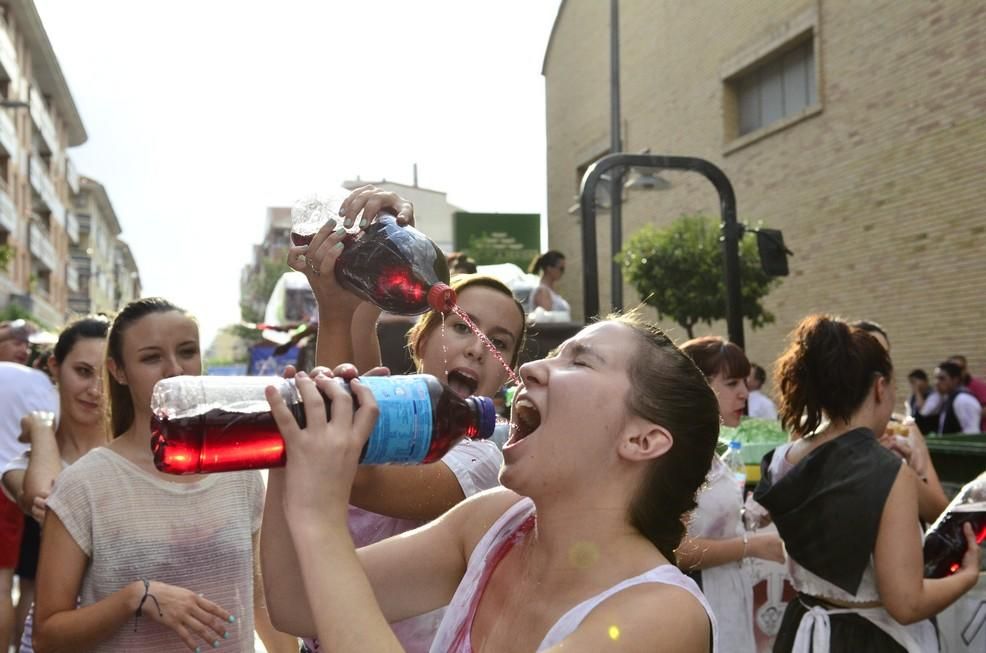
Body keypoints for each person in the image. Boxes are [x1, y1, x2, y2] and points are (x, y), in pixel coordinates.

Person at [264, 309, 722, 652]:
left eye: (579, 363)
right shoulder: (495, 522)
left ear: (642, 440)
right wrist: (290, 444)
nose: (528, 368)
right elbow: (296, 603)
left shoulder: (662, 616)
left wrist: (319, 515)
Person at [263, 186, 527, 652]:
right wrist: (379, 242)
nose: (477, 347)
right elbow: (353, 336)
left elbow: (354, 471)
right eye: (463, 326)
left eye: (499, 342)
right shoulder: (392, 402)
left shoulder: (483, 459)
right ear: (420, 339)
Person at [32, 298, 297, 652]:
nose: (174, 369)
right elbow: (47, 636)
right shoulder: (84, 484)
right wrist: (135, 598)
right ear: (118, 371)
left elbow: (257, 596)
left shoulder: (239, 470)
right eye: (151, 357)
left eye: (187, 351)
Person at [753, 315, 980, 652]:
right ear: (879, 387)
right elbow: (906, 603)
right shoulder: (886, 470)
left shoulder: (781, 459)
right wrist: (968, 577)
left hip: (800, 630)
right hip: (868, 639)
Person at [0, 316, 110, 652]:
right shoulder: (21, 466)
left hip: (127, 632)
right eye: (83, 371)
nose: (95, 389)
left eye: (105, 375)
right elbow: (48, 497)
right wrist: (43, 427)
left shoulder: (139, 454)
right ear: (54, 367)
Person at [678, 336, 784, 652]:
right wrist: (752, 546)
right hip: (702, 602)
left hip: (728, 597)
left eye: (745, 382)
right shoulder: (681, 455)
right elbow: (677, 550)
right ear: (700, 386)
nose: (744, 393)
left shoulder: (708, 450)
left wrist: (748, 517)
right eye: (732, 382)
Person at [0, 322, 58, 653]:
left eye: (26, 343)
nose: (23, 348)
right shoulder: (40, 384)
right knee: (22, 585)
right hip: (23, 485)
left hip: (19, 486)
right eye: (15, 341)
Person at [922, 361, 982, 435]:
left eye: (942, 378)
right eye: (936, 378)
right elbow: (925, 412)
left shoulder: (962, 399)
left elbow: (972, 434)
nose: (936, 382)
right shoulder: (947, 397)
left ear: (955, 380)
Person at [947, 355, 986, 432]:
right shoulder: (949, 389)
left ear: (966, 369)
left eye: (961, 368)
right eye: (953, 368)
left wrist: (971, 414)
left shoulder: (977, 385)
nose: (957, 371)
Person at [527, 250, 570, 317]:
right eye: (561, 268)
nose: (563, 272)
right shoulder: (542, 291)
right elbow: (547, 322)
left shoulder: (549, 291)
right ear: (549, 268)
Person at [905, 369, 938, 435]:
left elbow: (923, 410)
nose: (912, 385)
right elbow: (909, 414)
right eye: (911, 382)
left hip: (929, 433)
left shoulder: (934, 395)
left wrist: (917, 391)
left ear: (924, 381)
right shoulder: (912, 397)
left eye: (914, 382)